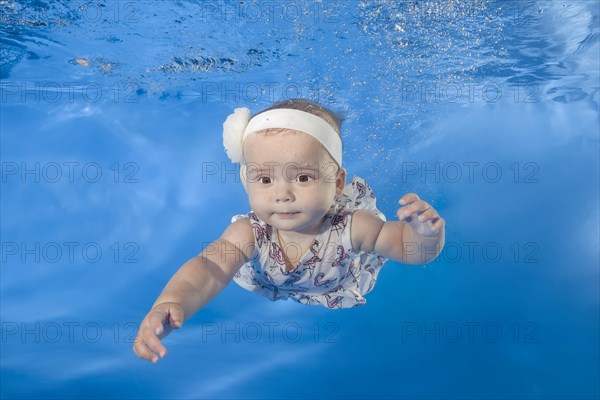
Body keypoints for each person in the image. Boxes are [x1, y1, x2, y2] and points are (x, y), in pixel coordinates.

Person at [133, 98, 445, 363]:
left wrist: (425, 235)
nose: (282, 194)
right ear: (247, 181)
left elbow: (408, 250)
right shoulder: (249, 232)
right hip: (270, 280)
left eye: (304, 178)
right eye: (265, 180)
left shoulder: (353, 227)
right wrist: (170, 302)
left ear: (337, 183)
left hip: (337, 282)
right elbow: (209, 268)